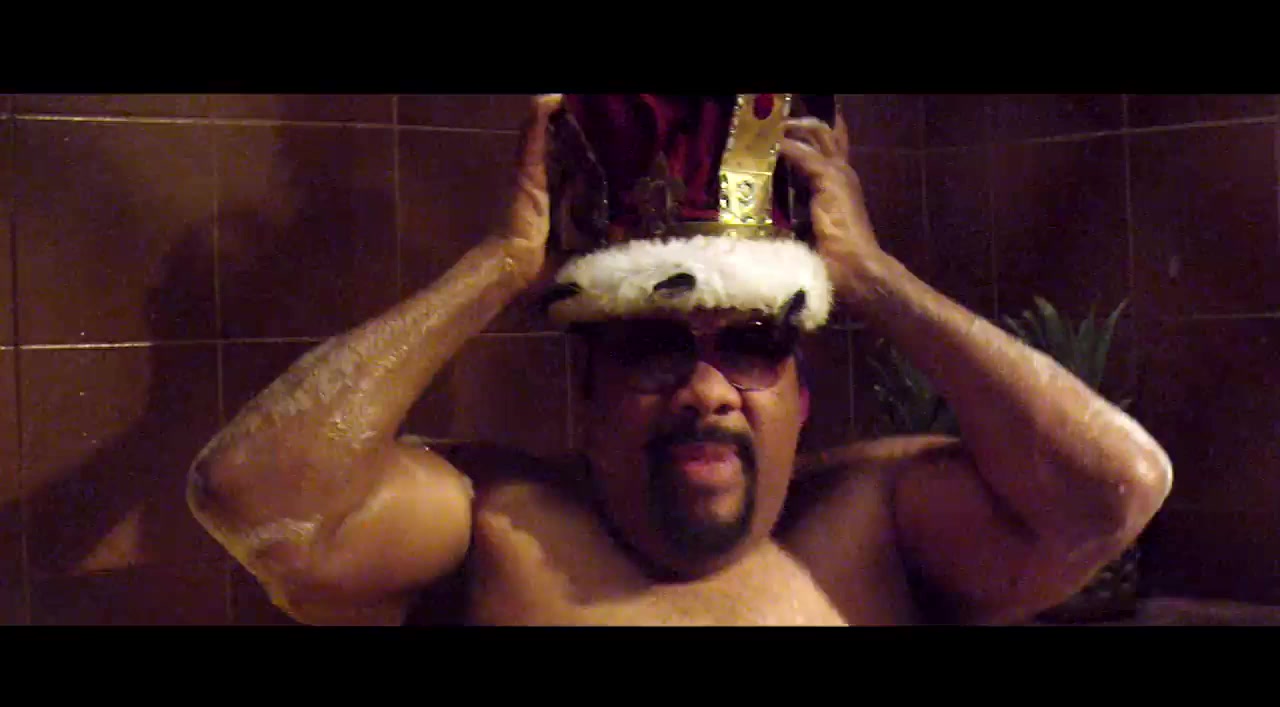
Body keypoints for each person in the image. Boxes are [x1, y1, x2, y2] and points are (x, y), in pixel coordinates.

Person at [186, 94, 1172, 626]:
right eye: (654, 348)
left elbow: (1114, 488)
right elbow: (250, 494)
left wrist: (873, 279)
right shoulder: (490, 526)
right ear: (586, 389)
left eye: (752, 345)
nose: (706, 390)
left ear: (800, 395)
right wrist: (498, 266)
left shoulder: (877, 521)